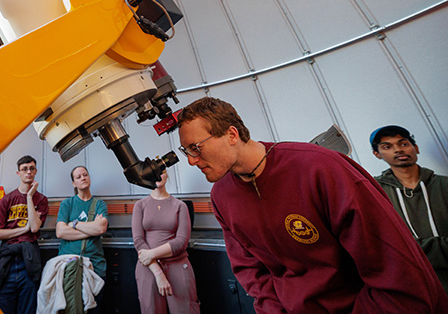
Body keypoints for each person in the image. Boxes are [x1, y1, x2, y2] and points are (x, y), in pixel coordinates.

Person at [176, 96, 448, 313]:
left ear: (232, 134)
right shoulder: (222, 196)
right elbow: (251, 271)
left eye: (195, 147)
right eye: (186, 151)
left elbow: (393, 268)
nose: (191, 160)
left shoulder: (320, 168)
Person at [371, 124, 448, 294]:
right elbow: (381, 248)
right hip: (412, 292)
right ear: (377, 154)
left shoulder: (445, 185)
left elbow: (398, 251)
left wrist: (410, 250)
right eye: (387, 146)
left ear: (416, 148)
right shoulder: (374, 193)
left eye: (404, 144)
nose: (398, 150)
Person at [131, 171, 199, 314]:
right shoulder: (140, 205)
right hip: (148, 268)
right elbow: (138, 240)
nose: (157, 176)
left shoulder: (180, 206)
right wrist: (158, 273)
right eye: (152, 173)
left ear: (166, 176)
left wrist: (151, 254)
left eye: (160, 172)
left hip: (177, 265)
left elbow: (181, 242)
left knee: (185, 310)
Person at [0, 155, 49, 314]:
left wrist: (29, 196)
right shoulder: (7, 199)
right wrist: (24, 229)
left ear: (35, 171)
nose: (28, 172)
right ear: (18, 173)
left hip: (28, 261)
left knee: (28, 309)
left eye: (31, 169)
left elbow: (35, 227)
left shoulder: (41, 199)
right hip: (7, 260)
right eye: (24, 169)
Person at [55, 166, 108, 313]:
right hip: (70, 267)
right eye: (78, 177)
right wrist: (91, 230)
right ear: (74, 183)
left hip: (95, 267)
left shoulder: (99, 204)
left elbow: (100, 229)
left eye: (85, 175)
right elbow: (60, 232)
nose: (83, 178)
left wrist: (75, 224)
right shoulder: (67, 204)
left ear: (89, 178)